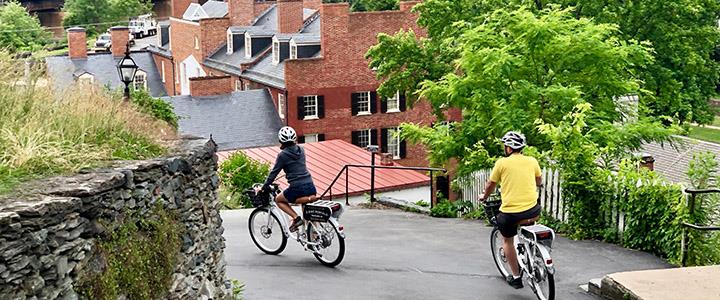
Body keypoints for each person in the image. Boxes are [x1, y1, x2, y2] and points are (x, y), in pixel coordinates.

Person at [480, 131, 543, 289]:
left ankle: (516, 277)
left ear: (508, 148)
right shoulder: (532, 161)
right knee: (529, 228)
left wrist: (484, 196)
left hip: (511, 214)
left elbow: (490, 185)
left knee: (507, 239)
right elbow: (539, 181)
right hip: (533, 210)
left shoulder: (502, 163)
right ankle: (534, 254)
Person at [261, 126, 318, 232]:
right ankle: (313, 237)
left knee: (278, 199)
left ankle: (296, 218)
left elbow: (274, 173)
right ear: (294, 138)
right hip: (310, 185)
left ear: (280, 140)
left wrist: (264, 187)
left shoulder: (282, 155)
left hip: (297, 188)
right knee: (308, 213)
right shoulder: (301, 149)